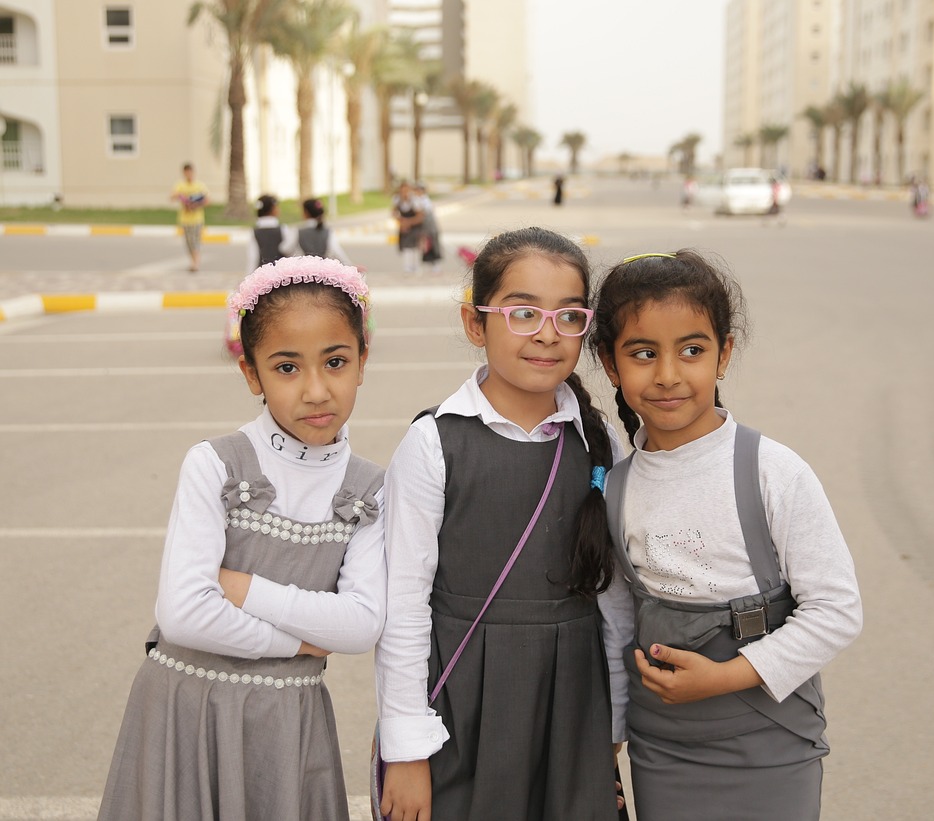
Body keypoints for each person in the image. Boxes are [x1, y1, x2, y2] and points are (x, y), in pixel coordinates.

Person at [97, 256, 386, 821]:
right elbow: (182, 616)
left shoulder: (370, 489)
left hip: (288, 722)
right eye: (286, 368)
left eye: (335, 361)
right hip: (186, 710)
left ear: (361, 361)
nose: (316, 389)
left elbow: (360, 624)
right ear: (251, 373)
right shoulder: (215, 465)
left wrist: (242, 587)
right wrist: (299, 643)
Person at [590, 250, 863, 821]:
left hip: (769, 738)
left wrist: (725, 677)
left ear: (724, 354)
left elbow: (836, 609)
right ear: (610, 365)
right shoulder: (616, 487)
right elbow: (619, 622)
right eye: (643, 354)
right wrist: (614, 731)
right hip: (662, 746)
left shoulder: (772, 472)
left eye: (692, 350)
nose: (668, 374)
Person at [374, 226, 625, 820]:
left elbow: (612, 599)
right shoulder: (434, 442)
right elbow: (404, 605)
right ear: (474, 323)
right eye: (522, 313)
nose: (546, 334)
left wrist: (614, 719)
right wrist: (405, 749)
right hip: (462, 704)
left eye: (569, 316)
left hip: (572, 702)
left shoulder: (599, 441)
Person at [170, 162, 209, 273]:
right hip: (185, 219)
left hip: (197, 219)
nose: (189, 174)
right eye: (186, 172)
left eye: (190, 172)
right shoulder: (180, 185)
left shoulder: (199, 185)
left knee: (195, 241)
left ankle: (195, 263)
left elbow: (207, 200)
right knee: (188, 242)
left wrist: (196, 204)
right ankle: (193, 261)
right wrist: (180, 197)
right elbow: (172, 196)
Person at [298, 198, 358, 268]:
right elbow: (337, 253)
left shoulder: (298, 232)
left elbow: (286, 249)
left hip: (304, 273)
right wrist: (351, 266)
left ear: (306, 213)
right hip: (323, 272)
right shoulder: (327, 232)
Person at [245, 194, 298, 274]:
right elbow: (287, 249)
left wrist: (249, 276)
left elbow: (253, 257)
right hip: (280, 273)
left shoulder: (254, 231)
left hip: (262, 274)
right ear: (273, 209)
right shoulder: (283, 229)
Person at [392, 180, 425, 274]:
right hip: (404, 226)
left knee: (415, 246)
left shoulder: (415, 200)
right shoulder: (397, 199)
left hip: (415, 225)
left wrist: (409, 222)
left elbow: (420, 216)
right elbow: (394, 212)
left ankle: (416, 266)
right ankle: (407, 266)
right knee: (406, 246)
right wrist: (401, 222)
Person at [414, 182, 444, 273]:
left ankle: (436, 265)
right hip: (424, 228)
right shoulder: (417, 200)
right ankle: (428, 265)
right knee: (426, 247)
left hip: (431, 227)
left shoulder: (425, 201)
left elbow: (424, 213)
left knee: (434, 245)